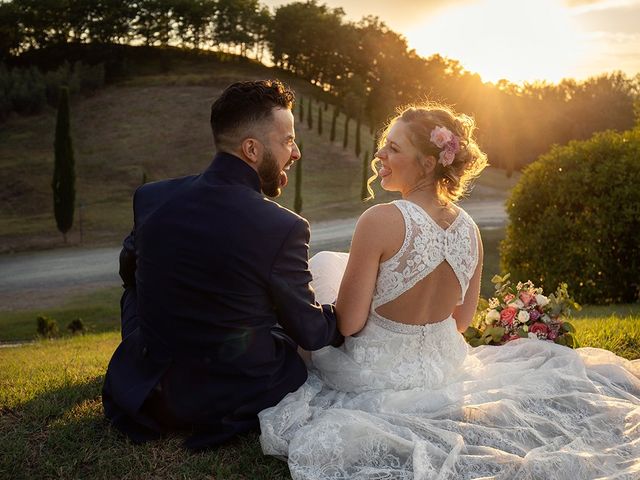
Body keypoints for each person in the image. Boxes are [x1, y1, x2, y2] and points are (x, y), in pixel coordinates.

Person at [259, 103, 640, 479]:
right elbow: (460, 322)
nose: (380, 154)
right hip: (444, 371)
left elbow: (350, 324)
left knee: (324, 267)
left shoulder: (380, 219)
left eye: (393, 148)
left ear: (428, 163)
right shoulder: (469, 228)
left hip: (375, 375)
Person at [102, 80, 343, 450]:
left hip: (149, 392)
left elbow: (128, 273)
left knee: (137, 289)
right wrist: (344, 314)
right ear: (251, 149)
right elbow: (311, 333)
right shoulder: (283, 226)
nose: (296, 153)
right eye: (288, 140)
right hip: (231, 397)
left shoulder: (151, 197)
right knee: (282, 330)